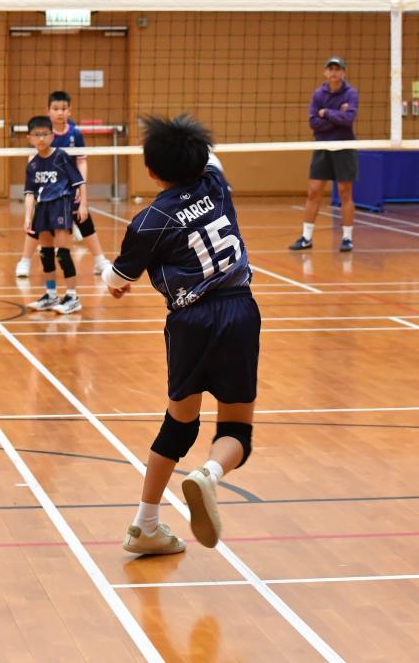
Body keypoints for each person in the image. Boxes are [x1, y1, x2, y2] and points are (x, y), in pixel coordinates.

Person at [103, 114, 258, 556]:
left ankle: (145, 524)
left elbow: (116, 280)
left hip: (188, 322)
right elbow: (209, 156)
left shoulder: (149, 222)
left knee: (179, 425)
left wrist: (118, 285)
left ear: (151, 171)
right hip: (239, 312)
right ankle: (209, 474)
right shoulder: (216, 183)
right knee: (236, 430)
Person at [15, 91, 110, 278]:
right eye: (56, 109)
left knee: (84, 220)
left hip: (69, 187)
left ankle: (100, 261)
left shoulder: (75, 134)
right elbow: (34, 159)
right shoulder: (43, 132)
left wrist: (81, 188)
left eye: (63, 109)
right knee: (37, 224)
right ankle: (25, 261)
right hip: (48, 188)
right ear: (48, 110)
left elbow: (81, 161)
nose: (60, 112)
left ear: (69, 111)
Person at [291, 56, 358, 253]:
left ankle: (347, 238)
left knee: (345, 192)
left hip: (344, 146)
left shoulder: (351, 93)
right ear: (326, 72)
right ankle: (306, 237)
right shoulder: (318, 94)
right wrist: (338, 115)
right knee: (314, 191)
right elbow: (313, 123)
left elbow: (349, 119)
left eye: (338, 69)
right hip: (323, 146)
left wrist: (326, 113)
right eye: (331, 69)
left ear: (343, 72)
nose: (334, 72)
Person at [23, 115, 85, 314]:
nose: (41, 138)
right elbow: (30, 193)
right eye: (36, 134)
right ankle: (51, 295)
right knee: (46, 253)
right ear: (29, 138)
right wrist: (27, 217)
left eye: (45, 134)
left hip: (61, 204)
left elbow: (79, 182)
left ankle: (72, 297)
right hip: (42, 209)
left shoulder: (61, 156)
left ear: (52, 136)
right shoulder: (33, 164)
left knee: (63, 253)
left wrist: (83, 205)